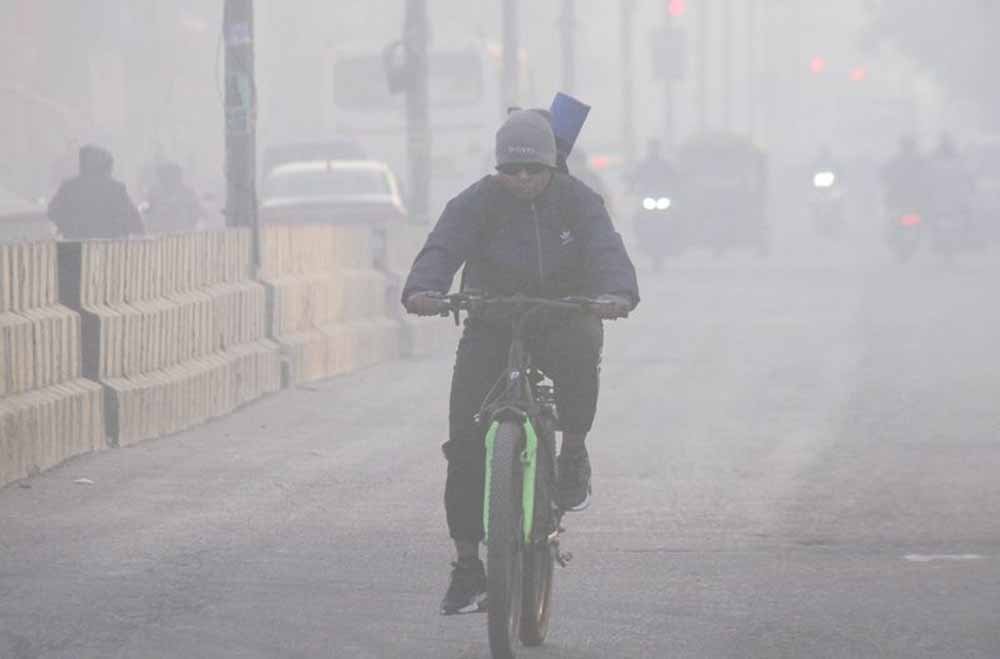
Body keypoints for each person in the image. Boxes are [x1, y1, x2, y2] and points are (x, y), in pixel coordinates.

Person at [401, 110, 639, 615]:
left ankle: (572, 451)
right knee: (465, 442)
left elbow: (606, 251)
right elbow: (441, 248)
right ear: (498, 169)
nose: (524, 179)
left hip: (561, 315)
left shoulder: (578, 201)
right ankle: (468, 567)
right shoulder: (475, 203)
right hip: (492, 320)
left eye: (535, 170)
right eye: (513, 170)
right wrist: (424, 288)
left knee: (582, 350)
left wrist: (615, 293)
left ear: (552, 166)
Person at [47, 145, 144, 239]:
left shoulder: (69, 188)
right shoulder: (116, 190)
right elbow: (135, 223)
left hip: (74, 246)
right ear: (106, 166)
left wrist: (68, 227)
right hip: (108, 247)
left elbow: (53, 212)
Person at [144, 161, 205, 233]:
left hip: (183, 234)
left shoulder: (188, 194)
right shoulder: (153, 194)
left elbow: (197, 216)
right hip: (159, 235)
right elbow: (147, 217)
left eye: (173, 176)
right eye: (164, 177)